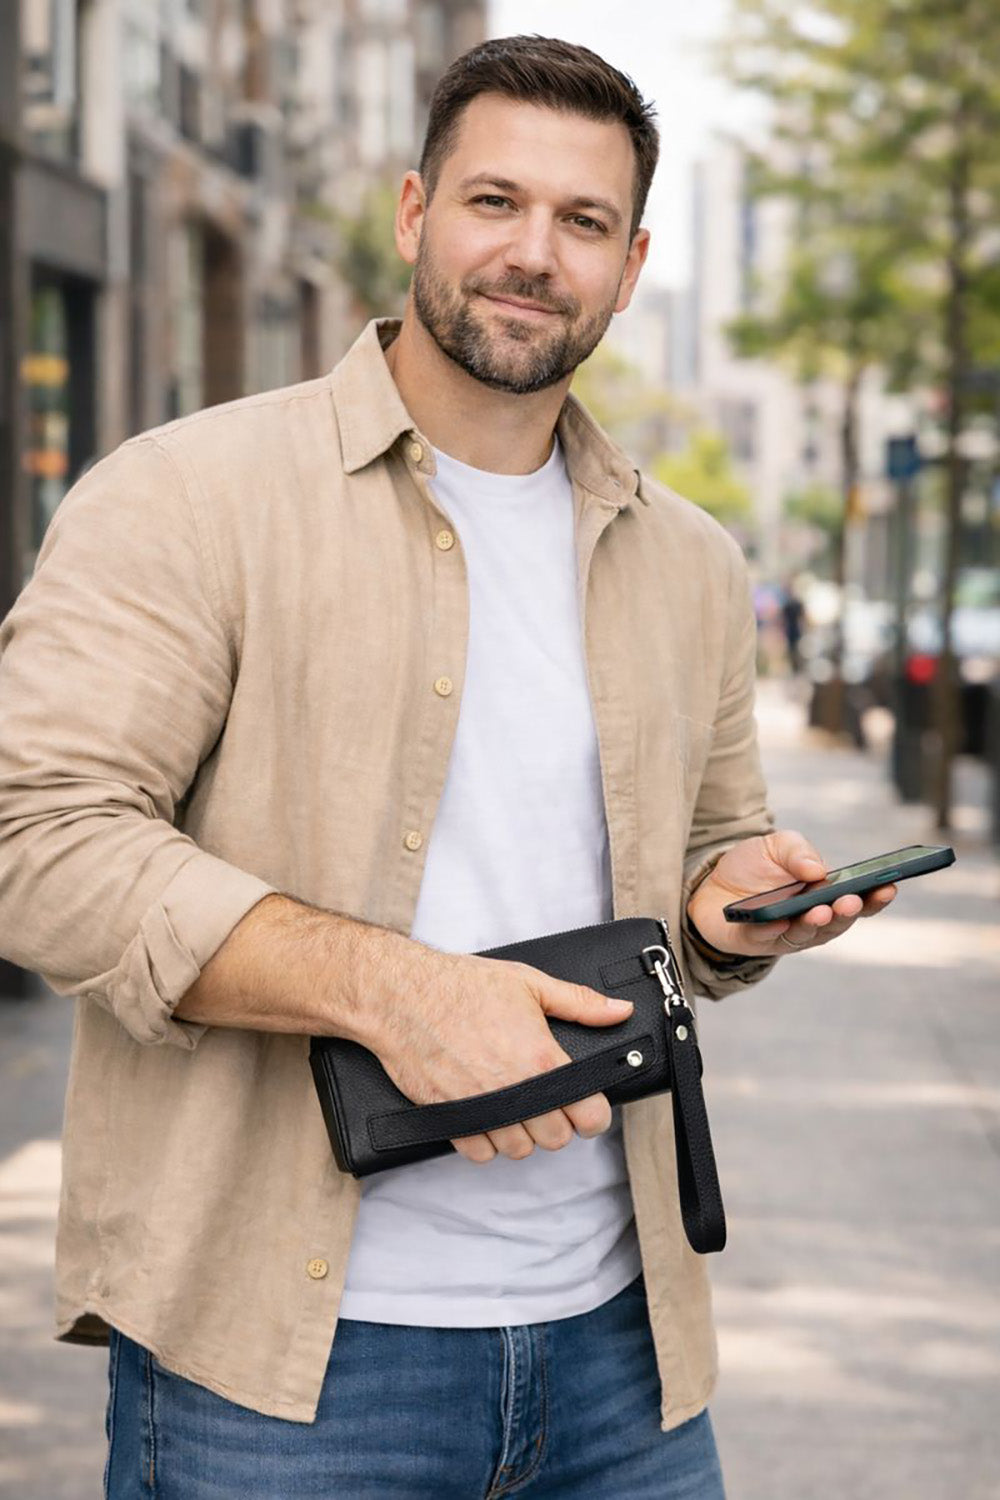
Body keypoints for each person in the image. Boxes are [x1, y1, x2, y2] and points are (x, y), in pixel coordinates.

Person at [0, 36, 897, 1499]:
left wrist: (730, 912)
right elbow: (35, 838)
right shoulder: (187, 496)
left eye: (584, 223)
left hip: (627, 1362)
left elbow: (701, 861)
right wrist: (400, 994)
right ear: (415, 213)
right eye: (496, 202)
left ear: (631, 261)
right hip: (280, 1376)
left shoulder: (691, 561)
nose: (533, 254)